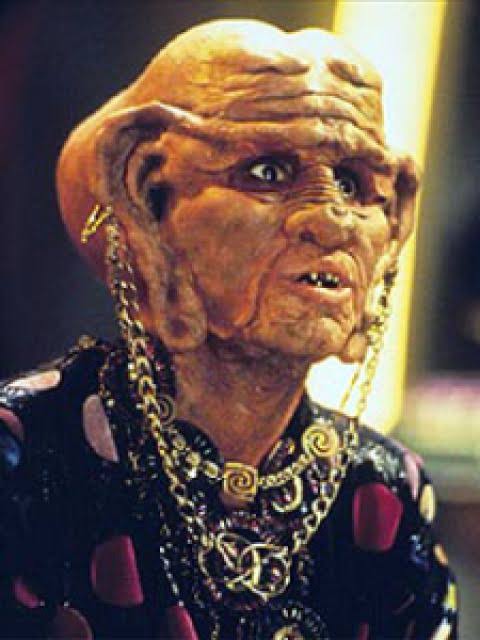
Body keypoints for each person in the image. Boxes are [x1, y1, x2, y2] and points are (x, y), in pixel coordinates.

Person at [0, 19, 457, 640]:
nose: (332, 222)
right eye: (268, 172)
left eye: (353, 184)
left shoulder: (383, 492)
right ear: (145, 197)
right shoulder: (27, 455)